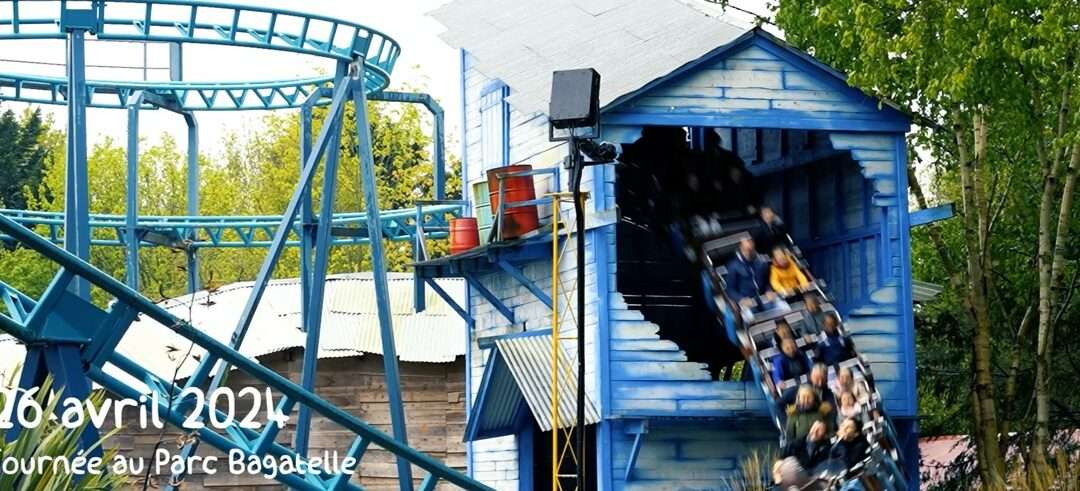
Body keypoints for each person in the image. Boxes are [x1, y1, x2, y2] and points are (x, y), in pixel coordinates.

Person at [724, 238, 775, 317]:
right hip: (746, 299)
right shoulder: (733, 266)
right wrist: (740, 299)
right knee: (752, 317)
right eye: (746, 250)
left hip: (762, 296)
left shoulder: (761, 261)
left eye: (751, 250)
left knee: (776, 310)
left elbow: (767, 281)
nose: (748, 253)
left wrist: (769, 290)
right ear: (741, 248)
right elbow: (730, 289)